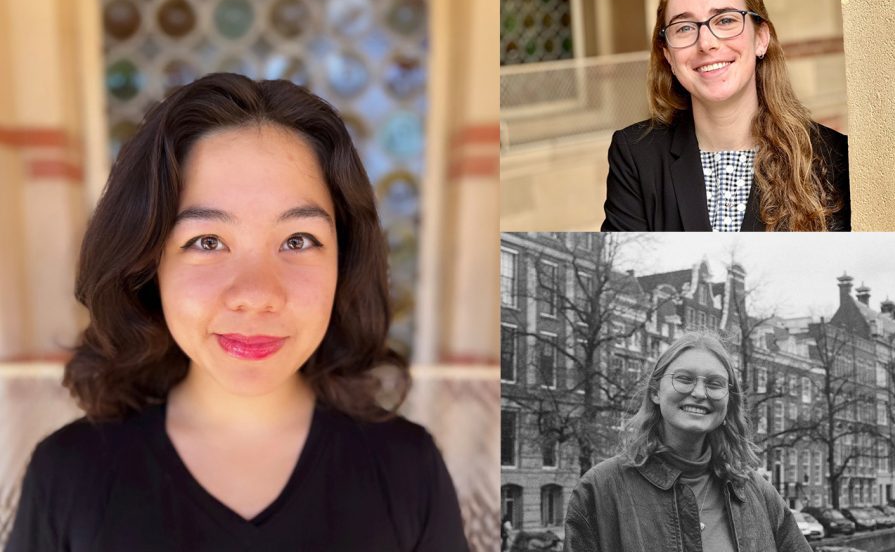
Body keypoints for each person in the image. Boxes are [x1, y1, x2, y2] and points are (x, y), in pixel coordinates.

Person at [6, 73, 468, 552]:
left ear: (343, 260)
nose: (255, 294)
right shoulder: (67, 474)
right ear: (149, 264)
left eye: (298, 240)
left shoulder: (408, 469)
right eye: (207, 241)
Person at [601, 0, 850, 232]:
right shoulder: (636, 156)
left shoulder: (832, 157)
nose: (706, 43)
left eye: (726, 20)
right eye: (684, 27)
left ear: (761, 38)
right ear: (668, 55)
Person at [564, 332, 810, 552]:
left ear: (729, 401)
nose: (700, 393)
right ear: (655, 392)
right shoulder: (600, 491)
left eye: (715, 384)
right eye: (684, 379)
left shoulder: (757, 493)